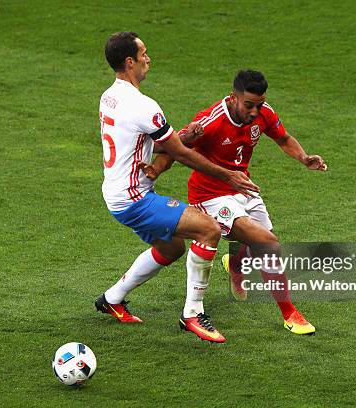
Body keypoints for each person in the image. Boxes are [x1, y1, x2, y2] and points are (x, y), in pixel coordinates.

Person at [95, 33, 260, 343]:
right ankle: (193, 314)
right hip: (134, 199)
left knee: (171, 248)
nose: (148, 58)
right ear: (129, 61)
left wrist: (181, 138)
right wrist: (228, 176)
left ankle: (111, 299)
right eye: (143, 53)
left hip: (117, 192)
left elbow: (161, 144)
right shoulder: (143, 106)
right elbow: (181, 153)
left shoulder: (110, 96)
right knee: (208, 229)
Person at [142, 70, 327, 335]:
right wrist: (157, 169)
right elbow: (171, 148)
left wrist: (304, 157)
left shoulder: (264, 113)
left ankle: (236, 265)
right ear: (233, 98)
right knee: (268, 244)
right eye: (249, 105)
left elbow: (283, 138)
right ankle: (290, 314)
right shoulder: (210, 121)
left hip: (243, 188)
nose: (254, 112)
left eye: (259, 105)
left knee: (264, 242)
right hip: (211, 196)